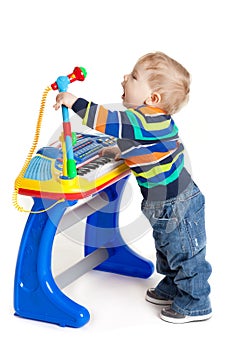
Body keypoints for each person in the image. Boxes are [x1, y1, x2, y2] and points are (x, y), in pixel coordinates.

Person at [53, 51, 212, 323]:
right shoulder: (146, 121)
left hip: (178, 203)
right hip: (163, 203)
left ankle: (196, 302)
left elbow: (109, 120)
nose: (125, 77)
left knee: (185, 252)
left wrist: (75, 101)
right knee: (166, 246)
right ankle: (174, 286)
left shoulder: (147, 119)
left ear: (153, 99)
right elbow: (140, 141)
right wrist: (122, 149)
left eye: (134, 76)